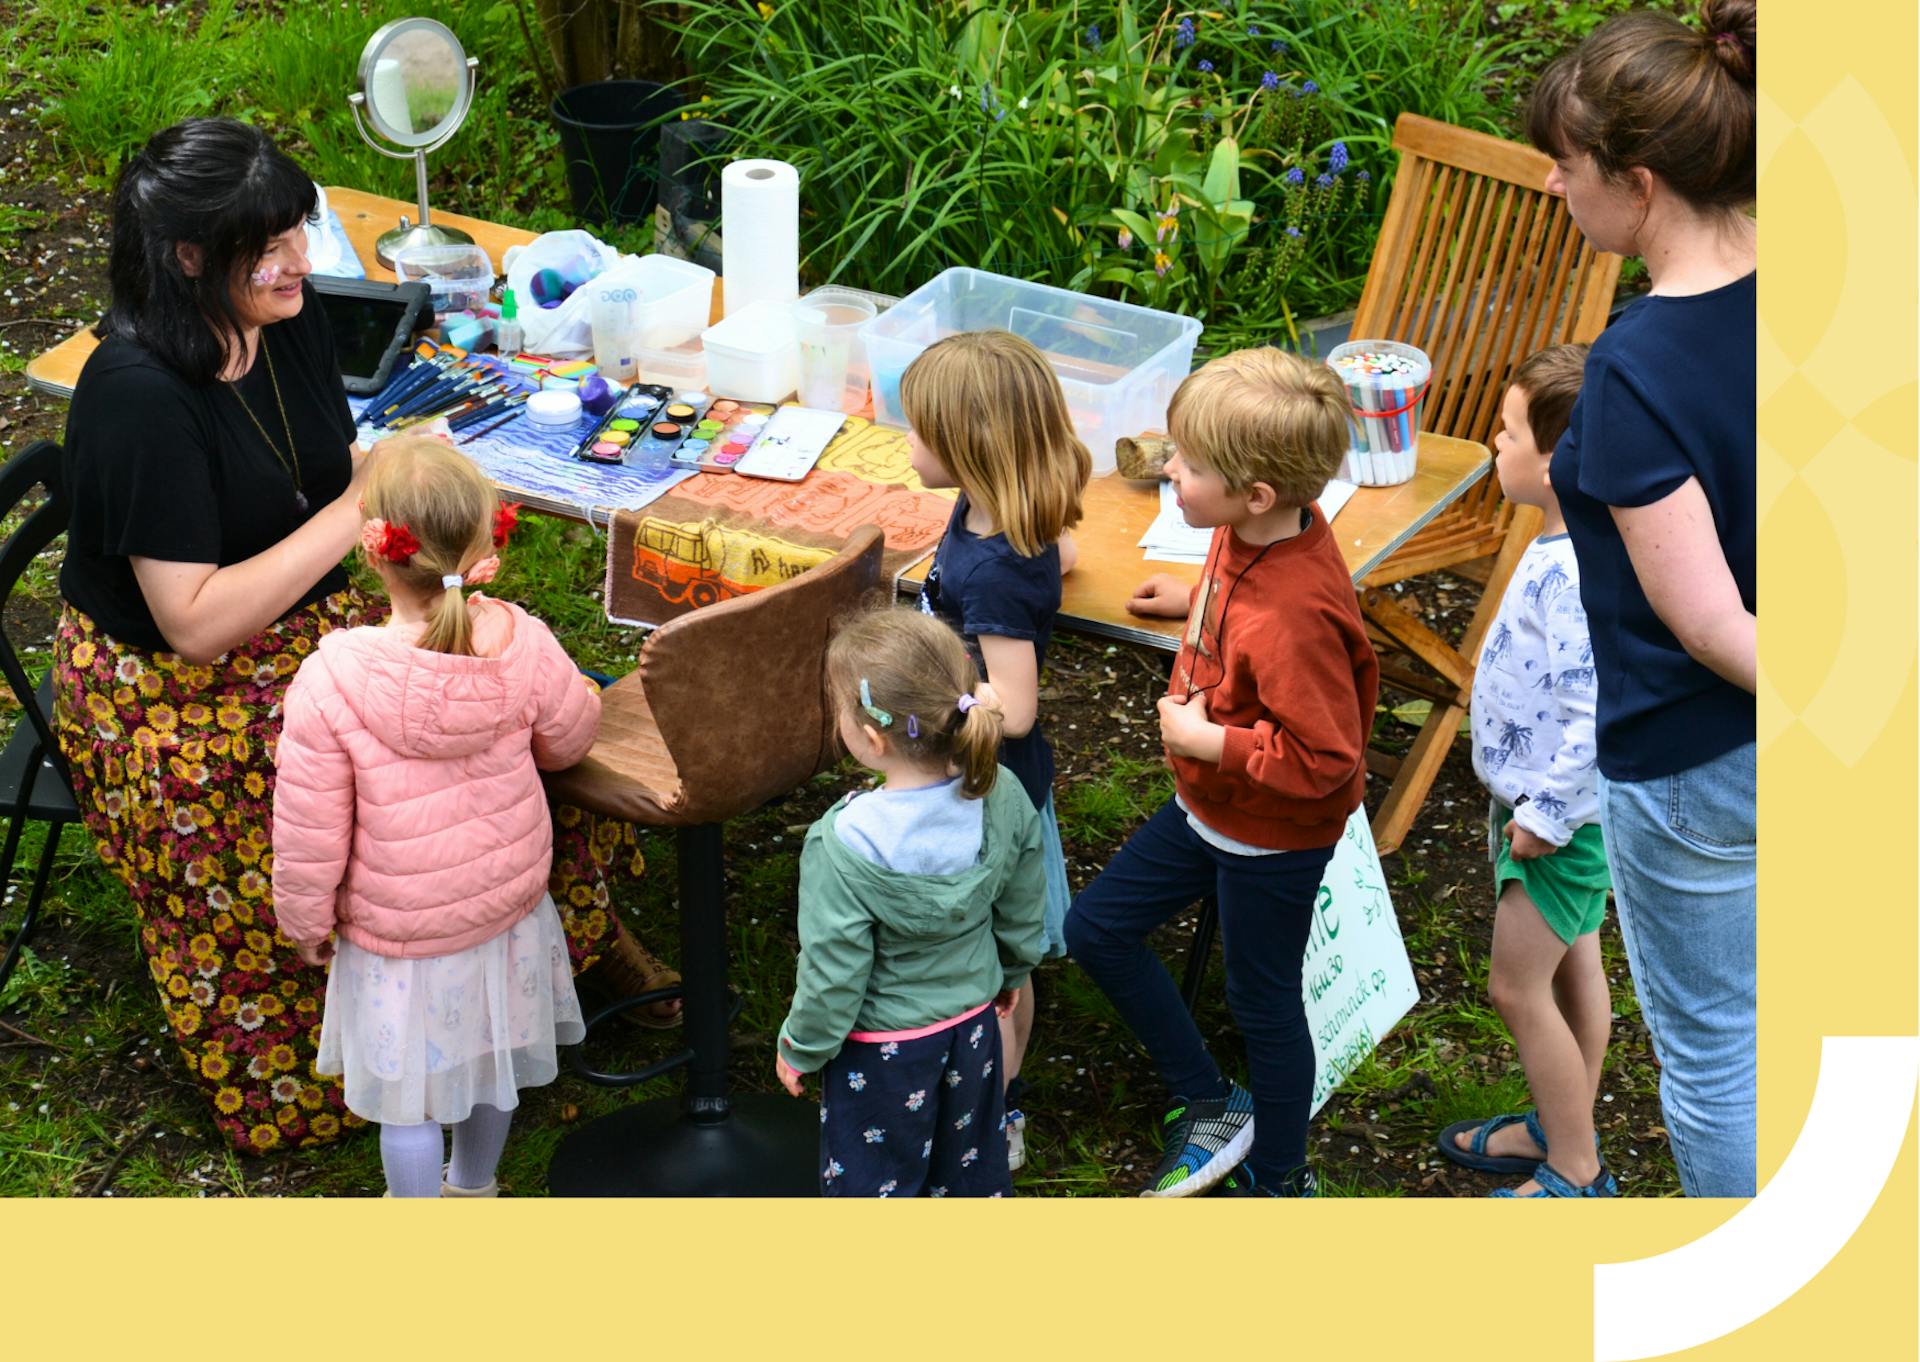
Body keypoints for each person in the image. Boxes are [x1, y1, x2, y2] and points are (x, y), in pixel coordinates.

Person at [48, 118, 670, 1156]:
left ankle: (557, 932)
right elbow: (194, 626)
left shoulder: (281, 316)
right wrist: (359, 507)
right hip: (170, 698)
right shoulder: (136, 399)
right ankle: (382, 1032)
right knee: (345, 783)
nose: (302, 259)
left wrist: (385, 476)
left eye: (302, 229)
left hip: (299, 624)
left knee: (498, 686)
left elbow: (324, 457)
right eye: (273, 245)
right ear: (191, 259)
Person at [1526, 0, 1757, 1196]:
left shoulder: (1632, 372)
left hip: (1703, 758)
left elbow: (1712, 627)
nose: (1557, 190)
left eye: (1569, 169)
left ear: (1642, 182)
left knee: (1722, 1056)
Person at [1071, 348, 1378, 1197]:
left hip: (1269, 838)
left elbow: (1326, 759)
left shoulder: (1294, 615)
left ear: (1257, 494)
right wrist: (1198, 601)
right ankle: (1212, 1101)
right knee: (1095, 930)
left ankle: (1281, 1181)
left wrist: (1211, 745)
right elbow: (1243, 590)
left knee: (1265, 1006)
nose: (1171, 469)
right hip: (1209, 811)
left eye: (1190, 464)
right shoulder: (1248, 535)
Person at [272, 437, 595, 1197]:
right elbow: (571, 739)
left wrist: (304, 920)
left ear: (373, 548)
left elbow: (309, 828)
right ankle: (474, 1189)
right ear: (487, 542)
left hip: (398, 937)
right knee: (488, 1069)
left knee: (407, 1100)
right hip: (503, 914)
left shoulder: (331, 680)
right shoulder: (521, 640)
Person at [773, 608, 1048, 1197]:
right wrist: (1014, 969)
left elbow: (834, 973)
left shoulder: (843, 842)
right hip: (974, 1030)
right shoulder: (1001, 795)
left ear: (870, 739)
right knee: (964, 1169)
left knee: (877, 1186)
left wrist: (802, 1047)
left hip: (884, 1055)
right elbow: (1025, 903)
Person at [1433, 347, 1616, 1198]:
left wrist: (1545, 812)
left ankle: (1576, 1170)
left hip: (1558, 824)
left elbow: (1593, 712)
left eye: (1506, 433)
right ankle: (1561, 1115)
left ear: (1558, 461)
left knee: (1516, 988)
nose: (1492, 445)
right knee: (1577, 965)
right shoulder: (1567, 541)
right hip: (1556, 813)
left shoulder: (1573, 571)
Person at [905, 330, 1089, 1170]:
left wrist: (927, 688)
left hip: (991, 785)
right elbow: (1062, 555)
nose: (906, 443)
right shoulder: (993, 515)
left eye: (918, 431)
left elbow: (1012, 709)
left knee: (999, 969)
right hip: (981, 775)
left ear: (968, 447)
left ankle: (996, 1116)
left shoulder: (995, 572)